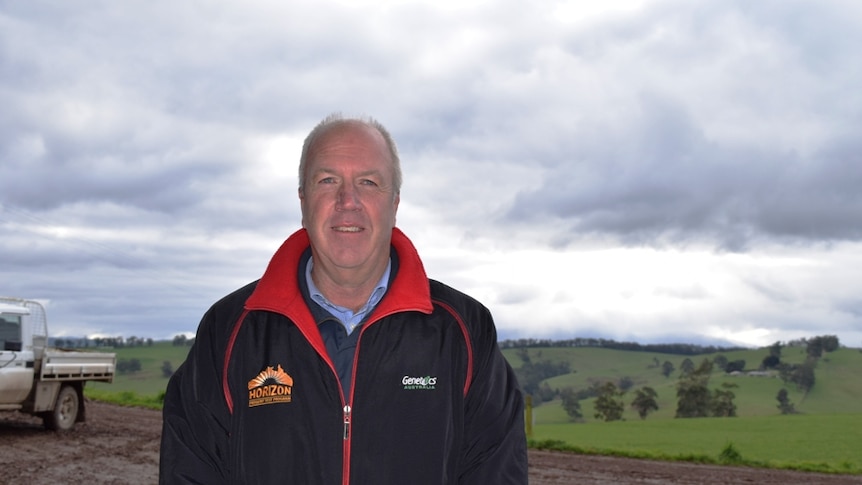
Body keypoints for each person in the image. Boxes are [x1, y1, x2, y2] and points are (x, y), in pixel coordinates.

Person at [159, 114, 528, 484]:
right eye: (327, 180)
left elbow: (495, 471)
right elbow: (190, 471)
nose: (347, 201)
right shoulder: (230, 329)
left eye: (368, 182)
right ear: (303, 200)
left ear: (395, 202)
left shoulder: (463, 330)